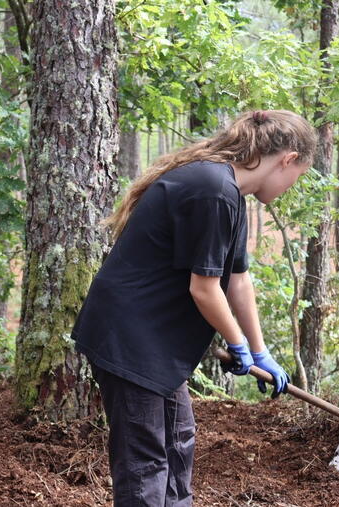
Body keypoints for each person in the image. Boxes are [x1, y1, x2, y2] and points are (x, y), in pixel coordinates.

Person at [71, 110, 317, 506]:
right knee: (145, 465)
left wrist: (259, 350)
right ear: (287, 159)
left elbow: (237, 279)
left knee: (178, 443)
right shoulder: (212, 189)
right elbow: (204, 289)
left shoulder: (231, 193)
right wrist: (236, 345)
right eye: (298, 175)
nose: (292, 185)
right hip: (131, 337)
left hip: (158, 342)